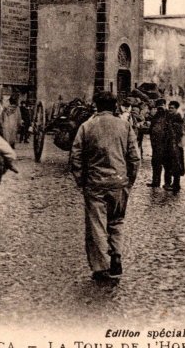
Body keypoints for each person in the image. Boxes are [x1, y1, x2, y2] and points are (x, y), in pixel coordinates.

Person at [70, 91, 140, 282]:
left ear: (97, 106)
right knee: (117, 221)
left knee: (97, 226)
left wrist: (81, 180)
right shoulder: (125, 126)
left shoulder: (87, 126)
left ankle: (102, 267)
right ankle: (116, 256)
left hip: (96, 185)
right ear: (114, 106)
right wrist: (129, 180)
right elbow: (135, 157)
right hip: (119, 184)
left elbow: (75, 156)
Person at [146, 98, 166, 187]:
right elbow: (151, 129)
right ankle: (155, 182)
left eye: (162, 107)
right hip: (155, 144)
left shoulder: (168, 116)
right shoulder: (155, 117)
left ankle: (167, 183)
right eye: (159, 108)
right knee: (155, 163)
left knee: (166, 164)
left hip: (165, 144)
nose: (160, 109)